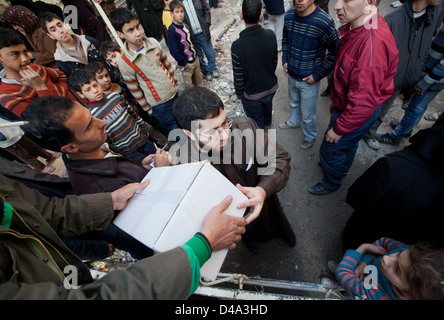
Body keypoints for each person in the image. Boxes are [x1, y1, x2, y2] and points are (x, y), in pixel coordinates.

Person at [0, 172, 246, 299]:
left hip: (70, 274)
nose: (101, 123)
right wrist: (202, 245)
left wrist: (109, 202)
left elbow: (38, 213)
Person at [172, 87, 296, 253]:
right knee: (247, 235)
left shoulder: (245, 127)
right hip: (231, 218)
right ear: (190, 133)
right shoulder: (185, 162)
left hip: (266, 204)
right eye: (211, 132)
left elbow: (280, 159)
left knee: (275, 223)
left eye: (224, 123)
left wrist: (263, 190)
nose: (224, 135)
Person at [308, 0, 399, 195]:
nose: (337, 6)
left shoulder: (371, 46)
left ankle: (332, 181)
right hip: (351, 107)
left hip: (357, 111)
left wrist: (339, 128)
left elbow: (363, 102)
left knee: (330, 149)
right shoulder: (360, 25)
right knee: (347, 146)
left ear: (370, 2)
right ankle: (341, 168)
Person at [343, 122, 444, 250]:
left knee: (353, 251)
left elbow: (355, 197)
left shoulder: (393, 166)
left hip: (366, 231)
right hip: (401, 248)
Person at [363, 0, 443, 150]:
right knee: (377, 110)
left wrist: (420, 72)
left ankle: (378, 132)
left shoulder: (434, 14)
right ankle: (366, 133)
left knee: (399, 110)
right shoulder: (392, 21)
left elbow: (427, 46)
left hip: (411, 78)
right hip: (389, 82)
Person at [278, 0, 339, 150]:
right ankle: (293, 121)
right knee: (293, 103)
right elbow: (285, 40)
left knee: (308, 115)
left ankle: (310, 136)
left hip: (309, 81)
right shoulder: (289, 15)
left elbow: (335, 52)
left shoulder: (324, 22)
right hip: (292, 75)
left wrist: (317, 75)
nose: (300, 0)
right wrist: (285, 60)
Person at [109, 8, 179, 136]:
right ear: (120, 34)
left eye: (137, 27)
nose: (137, 33)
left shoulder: (152, 43)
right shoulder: (125, 62)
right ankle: (191, 153)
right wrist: (147, 109)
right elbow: (134, 88)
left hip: (175, 94)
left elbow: (167, 64)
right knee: (175, 131)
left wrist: (175, 83)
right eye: (130, 30)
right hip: (159, 105)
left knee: (186, 121)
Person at [376, 24, 444, 146]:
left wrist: (425, 83)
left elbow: (442, 66)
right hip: (430, 76)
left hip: (431, 79)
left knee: (414, 108)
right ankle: (406, 129)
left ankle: (395, 137)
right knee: (418, 107)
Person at [67, 69, 157, 162]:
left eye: (95, 85)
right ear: (81, 94)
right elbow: (104, 140)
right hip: (128, 151)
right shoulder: (91, 116)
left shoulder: (115, 96)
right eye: (88, 90)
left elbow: (132, 113)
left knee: (159, 158)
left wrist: (144, 128)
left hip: (142, 138)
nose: (95, 91)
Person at [335, 237, 444, 300]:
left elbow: (342, 272)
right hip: (361, 277)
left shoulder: (378, 296)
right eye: (399, 254)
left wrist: (363, 248)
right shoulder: (409, 254)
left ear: (409, 295)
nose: (387, 258)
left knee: (346, 290)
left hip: (360, 291)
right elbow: (382, 243)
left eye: (397, 270)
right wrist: (364, 263)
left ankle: (341, 291)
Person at [0, 27, 76, 117]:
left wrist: (62, 92)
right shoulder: (8, 96)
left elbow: (60, 75)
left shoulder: (34, 68)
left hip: (79, 110)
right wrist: (40, 87)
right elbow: (49, 120)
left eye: (25, 52)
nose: (25, 59)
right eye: (15, 54)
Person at [231, 0, 278, 130]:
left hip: (252, 96)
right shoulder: (271, 35)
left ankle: (262, 141)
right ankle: (267, 128)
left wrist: (239, 94)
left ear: (241, 16)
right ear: (261, 15)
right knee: (267, 113)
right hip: (270, 87)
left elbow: (238, 76)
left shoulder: (237, 46)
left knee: (256, 123)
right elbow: (274, 62)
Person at [39, 11, 102, 78]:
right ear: (50, 35)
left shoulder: (88, 41)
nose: (60, 31)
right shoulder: (61, 61)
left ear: (65, 24)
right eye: (53, 30)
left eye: (60, 25)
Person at [167, 0, 204, 89]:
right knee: (189, 87)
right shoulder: (172, 30)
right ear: (172, 14)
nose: (180, 14)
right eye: (177, 12)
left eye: (182, 11)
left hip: (195, 60)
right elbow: (174, 50)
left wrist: (196, 54)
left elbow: (192, 41)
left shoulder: (185, 26)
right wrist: (183, 62)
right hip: (186, 64)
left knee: (200, 83)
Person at [181, 0, 219, 81]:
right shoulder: (180, 3)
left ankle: (213, 68)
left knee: (209, 52)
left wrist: (207, 23)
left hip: (203, 32)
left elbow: (207, 10)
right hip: (192, 35)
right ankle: (206, 71)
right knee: (199, 56)